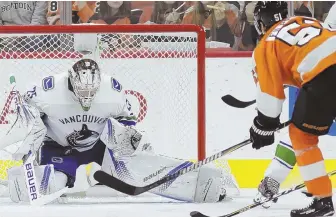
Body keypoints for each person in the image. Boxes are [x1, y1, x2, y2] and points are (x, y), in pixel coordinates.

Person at [4, 54, 237, 203]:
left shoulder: (111, 90)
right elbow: (23, 113)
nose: (87, 97)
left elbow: (126, 120)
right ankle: (20, 180)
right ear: (71, 81)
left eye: (91, 93)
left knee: (136, 172)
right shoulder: (48, 90)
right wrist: (26, 127)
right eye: (81, 92)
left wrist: (130, 139)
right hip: (58, 147)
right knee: (54, 183)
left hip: (99, 146)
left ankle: (200, 183)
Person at [248, 1, 336, 217]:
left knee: (301, 135)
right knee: (301, 126)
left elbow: (270, 97)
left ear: (260, 24)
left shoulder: (267, 44)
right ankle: (276, 181)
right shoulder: (309, 22)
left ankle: (322, 200)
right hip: (325, 69)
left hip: (323, 75)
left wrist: (263, 125)